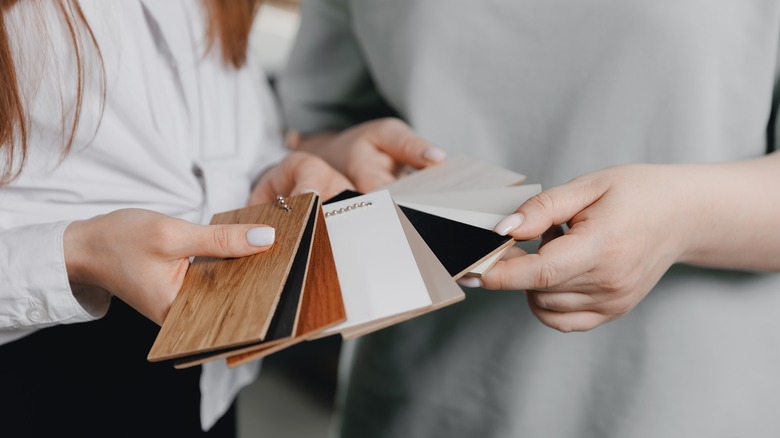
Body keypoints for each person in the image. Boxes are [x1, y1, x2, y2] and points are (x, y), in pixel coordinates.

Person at [277, 1, 780, 437]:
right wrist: (344, 153)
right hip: (418, 399)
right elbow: (317, 124)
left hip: (683, 404)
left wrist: (680, 217)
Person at [0, 1, 351, 436]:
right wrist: (78, 253)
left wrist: (274, 168)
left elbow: (225, 110)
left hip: (211, 357)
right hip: (43, 352)